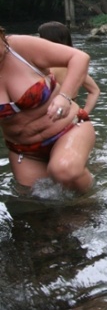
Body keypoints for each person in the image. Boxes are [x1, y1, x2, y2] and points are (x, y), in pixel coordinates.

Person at [0, 26, 95, 192]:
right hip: (24, 151)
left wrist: (65, 96)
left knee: (64, 170)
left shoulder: (19, 47)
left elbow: (79, 57)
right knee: (34, 202)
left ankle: (96, 202)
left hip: (69, 129)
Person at [38, 21, 101, 114]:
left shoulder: (48, 67)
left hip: (52, 118)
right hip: (71, 115)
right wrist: (84, 113)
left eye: (40, 37)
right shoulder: (72, 65)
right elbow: (94, 90)